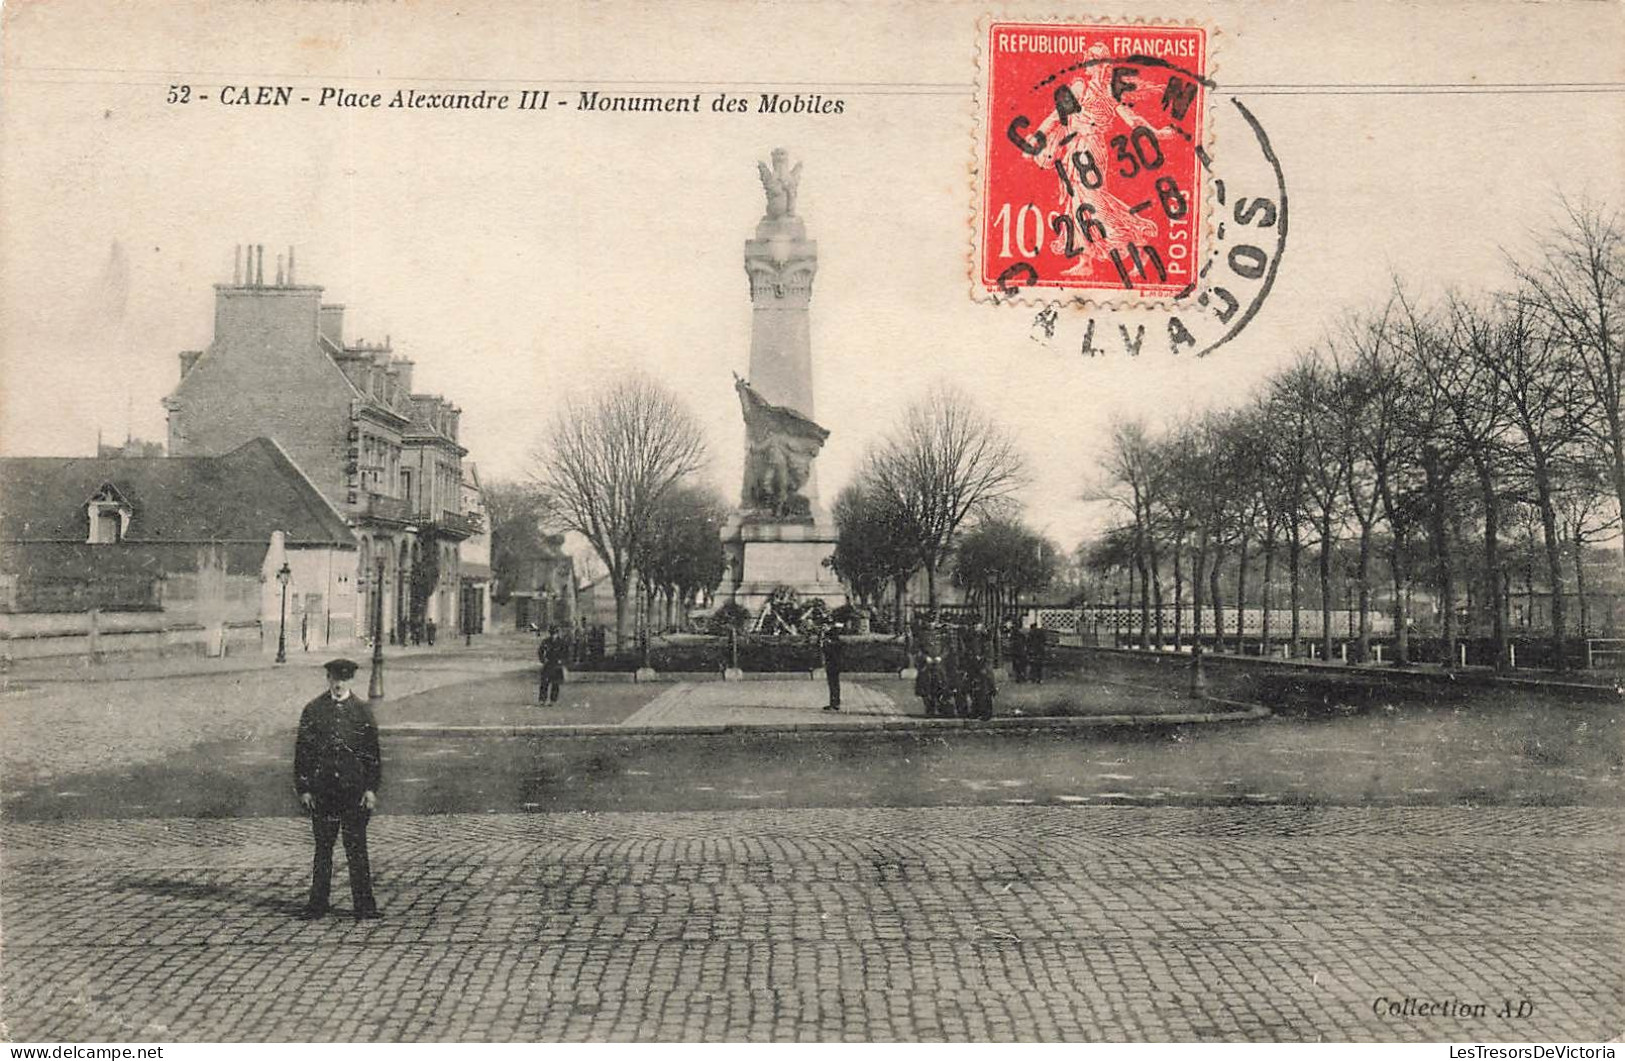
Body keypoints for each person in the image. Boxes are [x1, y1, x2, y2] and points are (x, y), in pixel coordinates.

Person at [294, 658, 381, 921]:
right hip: (324, 791)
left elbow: (372, 755)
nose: (338, 684)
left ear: (351, 681)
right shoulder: (313, 710)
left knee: (356, 848)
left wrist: (370, 789)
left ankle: (364, 906)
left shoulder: (362, 711)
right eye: (334, 678)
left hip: (353, 791)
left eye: (343, 679)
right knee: (323, 849)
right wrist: (304, 788)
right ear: (328, 679)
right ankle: (317, 904)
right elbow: (303, 752)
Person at [965, 622, 997, 720]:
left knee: (985, 692)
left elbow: (988, 656)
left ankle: (986, 713)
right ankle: (976, 711)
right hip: (974, 668)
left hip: (984, 669)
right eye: (975, 627)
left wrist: (982, 664)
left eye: (978, 627)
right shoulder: (973, 639)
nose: (976, 629)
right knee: (975, 691)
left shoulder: (986, 641)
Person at [538, 626, 565, 705]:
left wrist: (562, 660)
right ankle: (542, 699)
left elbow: (566, 653)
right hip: (548, 663)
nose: (553, 635)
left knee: (555, 683)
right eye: (552, 633)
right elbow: (540, 651)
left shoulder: (561, 642)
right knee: (544, 682)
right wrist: (543, 659)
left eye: (555, 633)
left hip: (557, 664)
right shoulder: (546, 641)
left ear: (558, 633)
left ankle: (553, 700)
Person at [821, 624, 845, 711]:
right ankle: (834, 702)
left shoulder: (832, 641)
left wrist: (825, 643)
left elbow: (829, 651)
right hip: (833, 664)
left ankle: (835, 703)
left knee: (833, 683)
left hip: (833, 664)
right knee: (833, 683)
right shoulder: (833, 640)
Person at [1008, 617, 1029, 683]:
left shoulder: (1014, 635)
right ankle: (1021, 677)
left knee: (1018, 666)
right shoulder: (1021, 634)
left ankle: (1019, 677)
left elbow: (1011, 642)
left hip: (1017, 652)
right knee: (1021, 666)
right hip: (1020, 652)